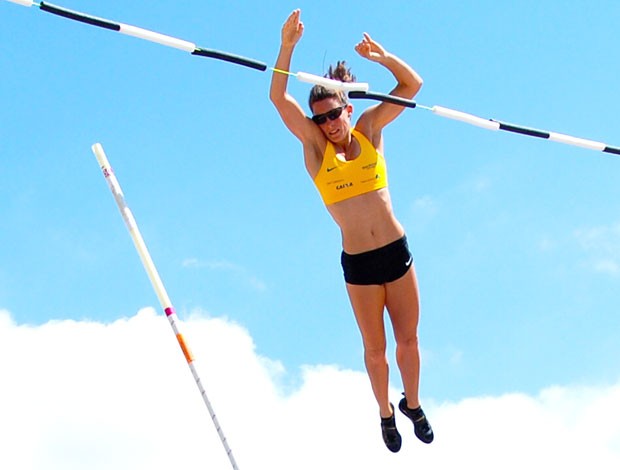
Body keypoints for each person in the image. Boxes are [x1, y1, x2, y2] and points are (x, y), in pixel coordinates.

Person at [269, 9, 433, 452]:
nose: (329, 124)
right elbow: (278, 99)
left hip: (396, 251)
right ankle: (384, 414)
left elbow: (412, 86)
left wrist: (383, 58)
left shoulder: (370, 130)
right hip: (359, 263)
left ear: (347, 107)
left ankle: (412, 405)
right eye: (320, 118)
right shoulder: (315, 148)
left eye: (333, 114)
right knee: (376, 351)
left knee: (409, 341)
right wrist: (287, 46)